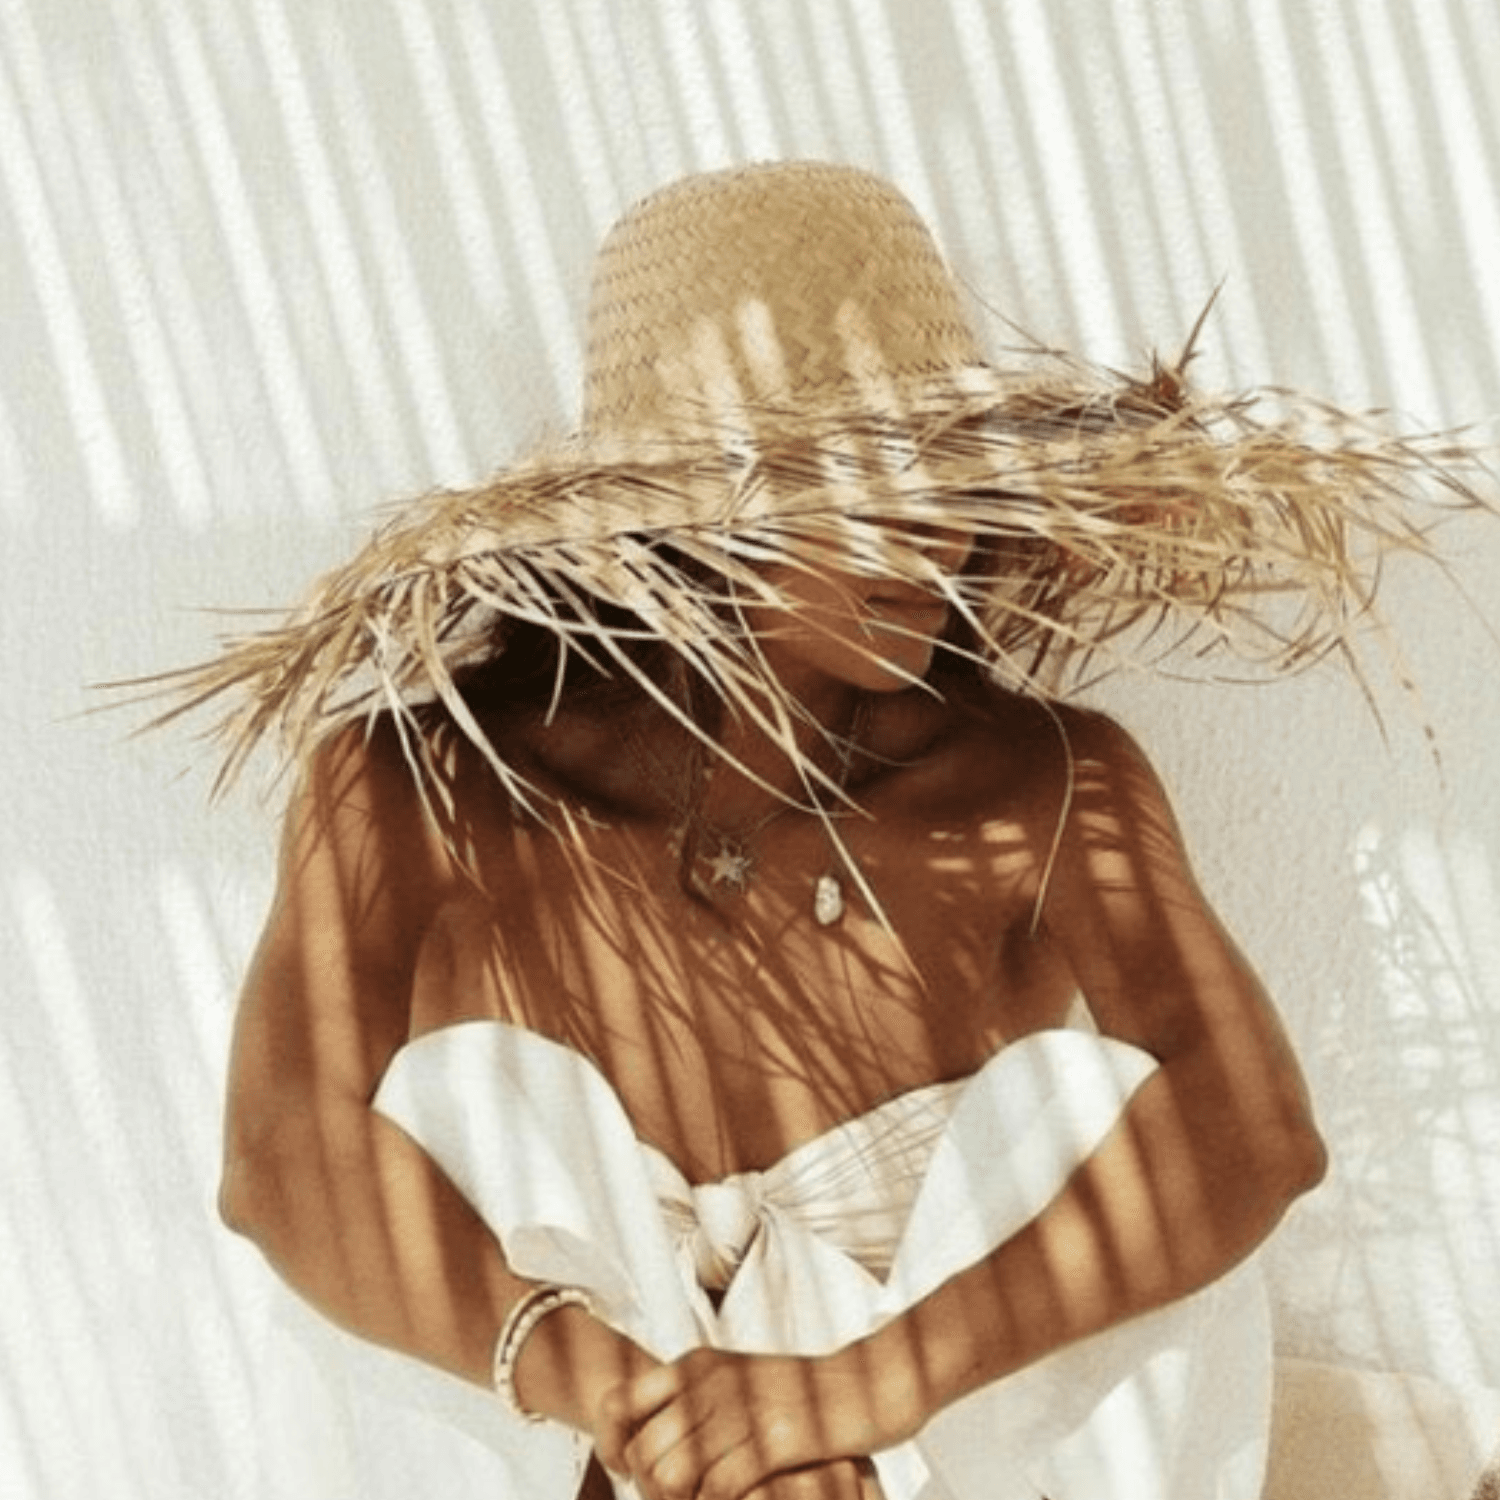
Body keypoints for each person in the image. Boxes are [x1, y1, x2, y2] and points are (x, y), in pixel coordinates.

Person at [176, 162, 1478, 1500]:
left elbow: (1254, 1125)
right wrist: (632, 1405)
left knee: (1081, 1102)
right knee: (462, 1098)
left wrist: (860, 1392)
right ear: (673, 509)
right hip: (588, 1448)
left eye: (950, 468)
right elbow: (277, 1156)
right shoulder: (418, 784)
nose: (928, 533)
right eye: (850, 479)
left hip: (950, 1444)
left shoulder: (1045, 783)